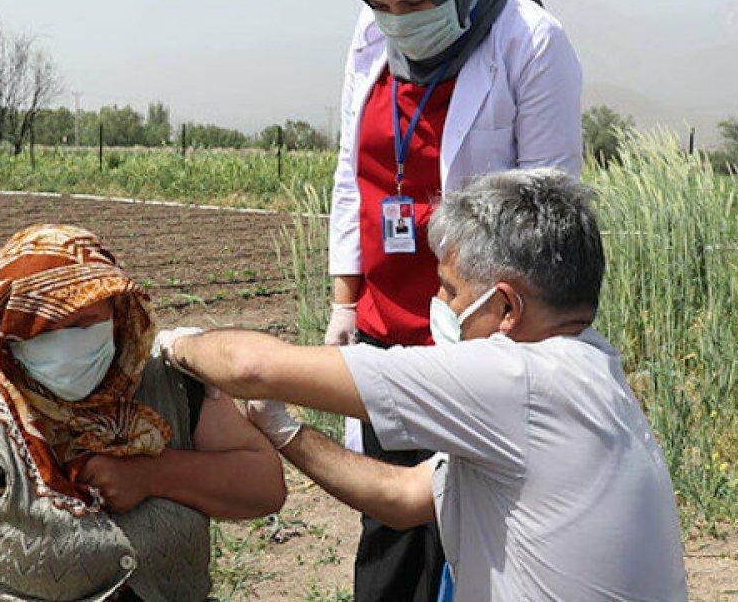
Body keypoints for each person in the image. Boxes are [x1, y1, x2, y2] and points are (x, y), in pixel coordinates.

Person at [161, 170, 689, 601]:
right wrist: (285, 431)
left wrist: (171, 344)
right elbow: (404, 495)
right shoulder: (593, 368)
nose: (439, 305)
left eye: (449, 289)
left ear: (507, 307)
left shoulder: (514, 380)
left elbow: (253, 367)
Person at [326, 0, 584, 597]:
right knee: (389, 541)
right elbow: (354, 174)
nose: (400, 22)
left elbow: (549, 219)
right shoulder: (371, 32)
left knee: (475, 540)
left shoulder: (531, 44)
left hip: (474, 340)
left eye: (417, 1)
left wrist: (522, 351)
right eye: (383, 6)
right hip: (386, 335)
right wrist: (345, 300)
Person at [0, 225, 286, 602]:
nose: (68, 343)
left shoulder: (168, 383)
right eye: (45, 329)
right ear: (9, 334)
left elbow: (264, 486)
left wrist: (152, 474)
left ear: (116, 315)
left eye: (85, 322)